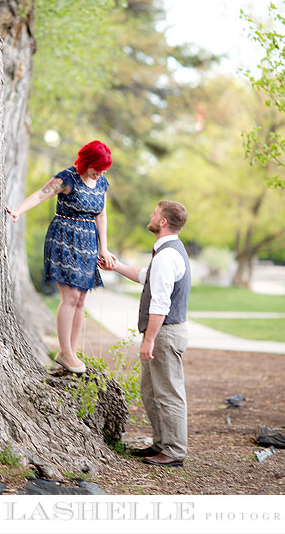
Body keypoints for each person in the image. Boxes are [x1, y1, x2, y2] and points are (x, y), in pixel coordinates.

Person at [5, 140, 116, 374]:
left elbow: (102, 215)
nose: (102, 172)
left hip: (88, 243)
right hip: (64, 239)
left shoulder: (102, 183)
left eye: (105, 168)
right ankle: (65, 352)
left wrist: (103, 248)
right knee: (71, 296)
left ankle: (70, 352)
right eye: (98, 166)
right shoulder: (67, 178)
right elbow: (40, 195)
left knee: (81, 299)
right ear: (87, 162)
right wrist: (18, 211)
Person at [101, 200, 191, 468]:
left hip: (165, 333)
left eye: (155, 212)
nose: (151, 215)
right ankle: (161, 444)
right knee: (152, 392)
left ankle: (174, 451)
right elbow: (145, 276)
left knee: (169, 393)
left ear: (163, 221)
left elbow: (160, 302)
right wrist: (115, 266)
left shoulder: (167, 256)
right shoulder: (166, 252)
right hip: (161, 333)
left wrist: (149, 339)